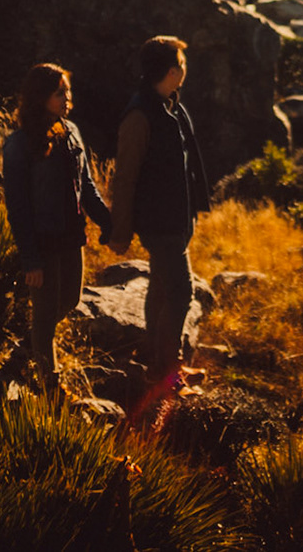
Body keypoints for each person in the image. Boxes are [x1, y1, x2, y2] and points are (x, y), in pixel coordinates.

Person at [0, 62, 111, 396]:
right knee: (46, 315)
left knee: (70, 302)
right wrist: (30, 259)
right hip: (42, 243)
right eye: (60, 91)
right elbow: (17, 207)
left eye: (68, 91)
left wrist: (108, 223)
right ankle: (51, 387)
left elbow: (87, 186)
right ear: (41, 95)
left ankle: (31, 344)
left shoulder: (71, 131)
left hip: (71, 237)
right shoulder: (19, 144)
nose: (67, 97)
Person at [105, 35, 212, 388]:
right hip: (160, 223)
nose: (185, 69)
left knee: (163, 288)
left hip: (176, 219)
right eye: (182, 63)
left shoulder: (170, 105)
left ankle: (156, 357)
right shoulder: (140, 115)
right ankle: (167, 370)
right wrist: (119, 231)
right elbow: (125, 178)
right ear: (172, 71)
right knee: (182, 292)